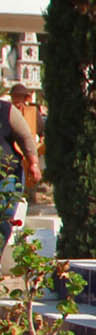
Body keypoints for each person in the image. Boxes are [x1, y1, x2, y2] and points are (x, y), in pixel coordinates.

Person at [0, 83, 42, 236]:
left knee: (2, 221)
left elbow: (25, 137)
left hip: (6, 177)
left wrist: (34, 163)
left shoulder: (6, 110)